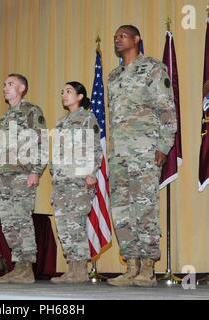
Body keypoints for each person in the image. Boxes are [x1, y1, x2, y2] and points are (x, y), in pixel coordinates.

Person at [107, 25, 177, 287]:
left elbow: (166, 109)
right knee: (121, 210)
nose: (117, 39)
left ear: (137, 39)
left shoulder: (153, 68)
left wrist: (164, 144)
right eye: (115, 37)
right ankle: (131, 265)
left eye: (122, 35)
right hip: (118, 154)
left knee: (144, 207)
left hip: (144, 150)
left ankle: (148, 267)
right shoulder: (113, 76)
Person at [0, 73, 47, 284]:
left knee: (22, 220)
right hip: (6, 175)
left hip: (24, 173)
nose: (5, 87)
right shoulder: (5, 117)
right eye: (4, 84)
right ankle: (18, 266)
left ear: (22, 88)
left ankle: (26, 267)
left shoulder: (32, 111)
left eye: (10, 84)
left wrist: (36, 171)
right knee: (8, 222)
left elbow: (42, 141)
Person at [49, 82, 102, 284]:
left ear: (80, 96)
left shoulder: (87, 118)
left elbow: (95, 148)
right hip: (62, 180)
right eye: (62, 91)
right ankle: (72, 268)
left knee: (75, 224)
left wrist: (91, 173)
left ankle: (80, 270)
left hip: (79, 180)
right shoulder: (62, 122)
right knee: (64, 226)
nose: (64, 94)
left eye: (69, 91)